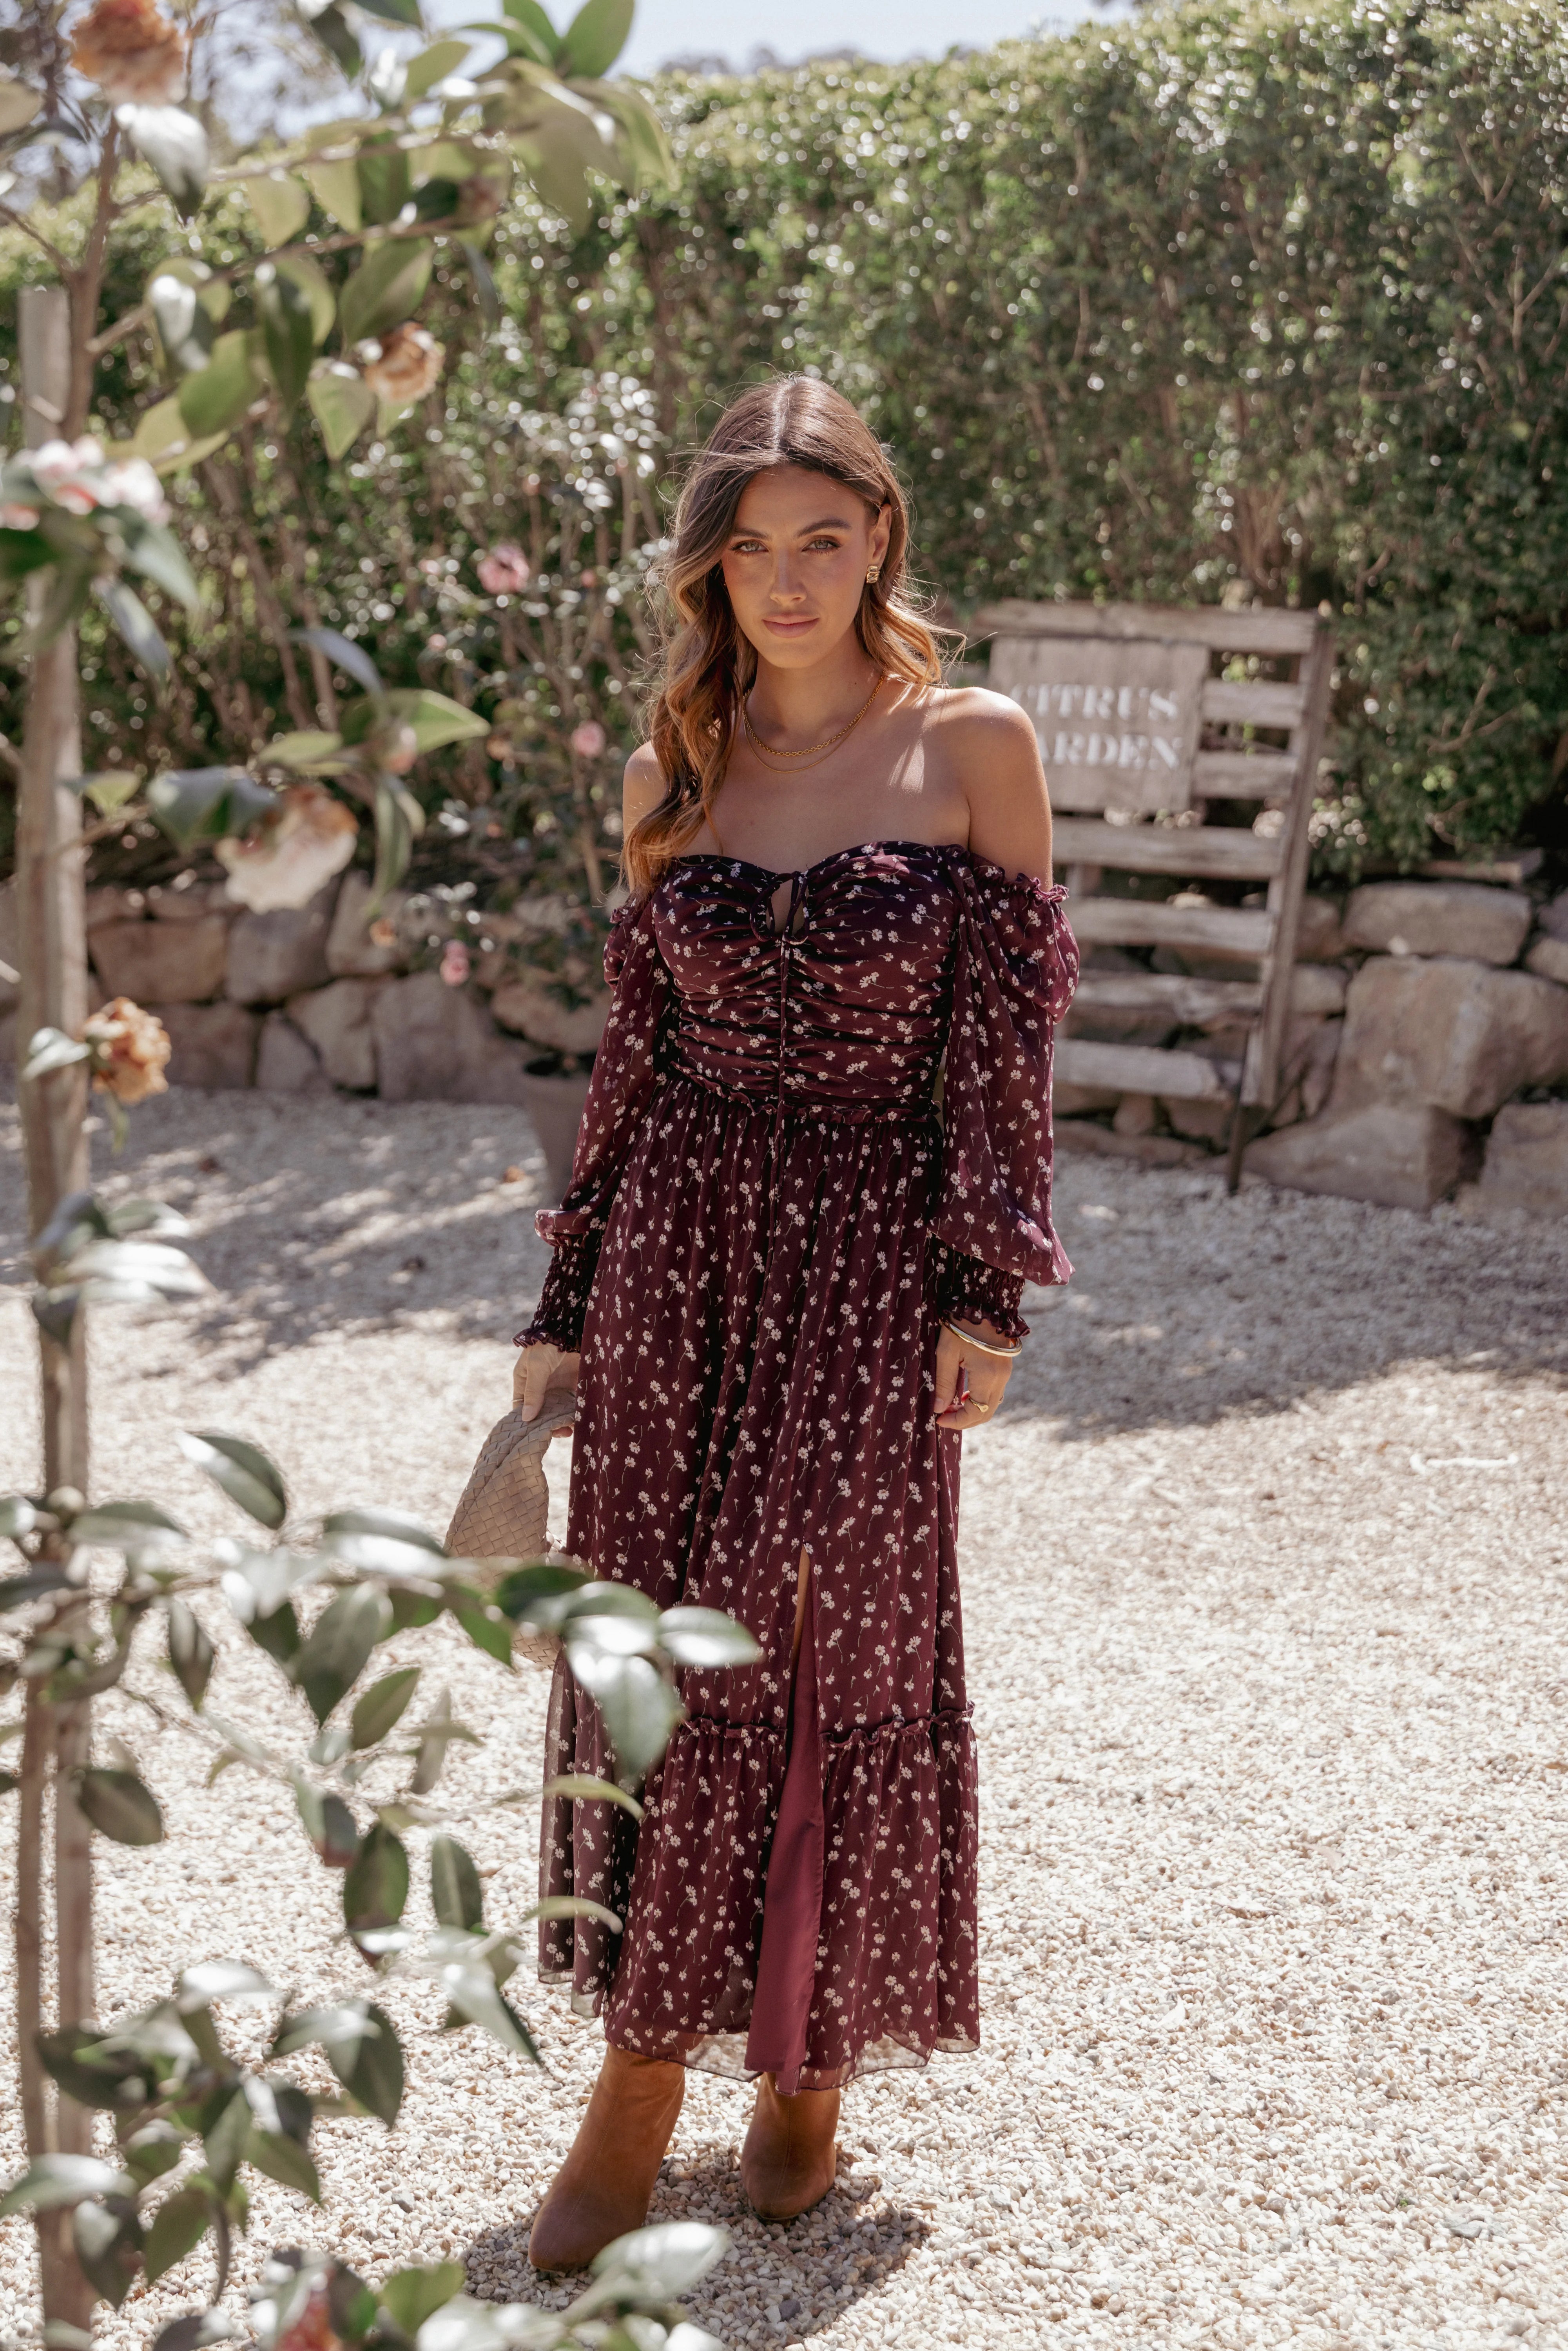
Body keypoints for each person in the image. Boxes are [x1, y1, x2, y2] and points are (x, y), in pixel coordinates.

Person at [511, 376, 1077, 2270]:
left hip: (865, 1258)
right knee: (653, 1656)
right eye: (749, 546)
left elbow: (1004, 1048)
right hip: (677, 1261)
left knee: (813, 1643)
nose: (784, 579)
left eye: (820, 539)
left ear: (878, 539)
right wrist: (563, 1308)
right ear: (710, 568)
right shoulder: (667, 773)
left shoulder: (973, 744)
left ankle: (801, 2057)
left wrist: (981, 1286)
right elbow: (632, 1069)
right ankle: (642, 2076)